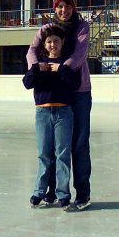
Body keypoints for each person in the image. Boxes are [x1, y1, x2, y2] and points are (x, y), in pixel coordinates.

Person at [26, 0, 92, 211]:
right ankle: (52, 191)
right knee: (52, 146)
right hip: (54, 94)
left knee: (78, 144)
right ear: (54, 9)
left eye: (68, 6)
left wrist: (61, 68)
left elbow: (80, 54)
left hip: (78, 90)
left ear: (74, 8)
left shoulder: (82, 27)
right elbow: (31, 51)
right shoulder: (46, 29)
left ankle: (82, 193)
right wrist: (37, 68)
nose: (64, 10)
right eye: (59, 7)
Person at [23, 26, 81, 211]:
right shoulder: (38, 63)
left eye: (56, 41)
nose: (53, 44)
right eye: (49, 42)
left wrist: (62, 69)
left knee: (62, 155)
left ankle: (63, 194)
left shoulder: (67, 63)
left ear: (62, 42)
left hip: (64, 113)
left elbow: (75, 84)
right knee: (44, 155)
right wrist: (36, 69)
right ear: (44, 45)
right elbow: (27, 83)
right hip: (43, 113)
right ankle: (40, 192)